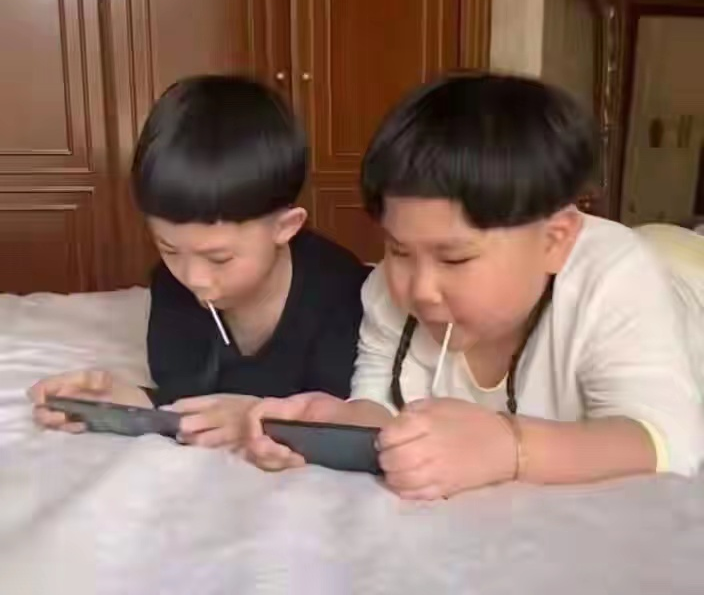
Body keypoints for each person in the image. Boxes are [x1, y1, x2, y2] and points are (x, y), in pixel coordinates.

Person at [245, 72, 704, 499]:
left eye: (455, 258)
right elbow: (380, 408)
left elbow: (670, 443)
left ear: (554, 240)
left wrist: (510, 447)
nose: (421, 289)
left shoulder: (615, 280)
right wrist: (340, 424)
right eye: (399, 250)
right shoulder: (387, 291)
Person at [29, 75, 369, 449]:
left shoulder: (340, 292)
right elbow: (184, 399)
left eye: (218, 258)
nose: (193, 278)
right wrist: (121, 399)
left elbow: (337, 417)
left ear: (284, 227)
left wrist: (254, 417)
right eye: (169, 249)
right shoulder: (170, 286)